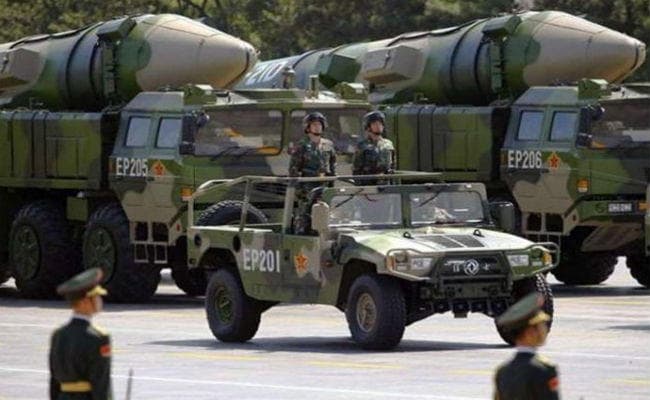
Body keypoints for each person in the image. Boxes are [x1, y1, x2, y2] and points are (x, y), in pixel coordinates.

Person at [49, 268, 112, 400]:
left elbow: (54, 382)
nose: (100, 300)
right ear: (84, 302)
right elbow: (101, 383)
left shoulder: (58, 335)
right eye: (95, 297)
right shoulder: (98, 337)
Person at [493, 293, 560, 400]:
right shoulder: (543, 370)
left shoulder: (502, 372)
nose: (544, 330)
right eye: (541, 326)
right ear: (530, 332)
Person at [289, 112, 336, 233]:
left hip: (324, 187)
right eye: (314, 125)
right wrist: (299, 191)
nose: (317, 127)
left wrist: (332, 186)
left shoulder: (328, 145)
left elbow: (332, 166)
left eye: (319, 124)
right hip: (307, 188)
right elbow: (294, 170)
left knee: (325, 216)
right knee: (305, 217)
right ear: (308, 127)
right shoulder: (302, 146)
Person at [353, 110, 395, 182]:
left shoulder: (388, 144)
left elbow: (393, 165)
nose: (379, 126)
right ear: (368, 127)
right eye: (375, 124)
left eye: (380, 124)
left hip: (386, 183)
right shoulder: (362, 146)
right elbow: (356, 170)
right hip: (369, 183)